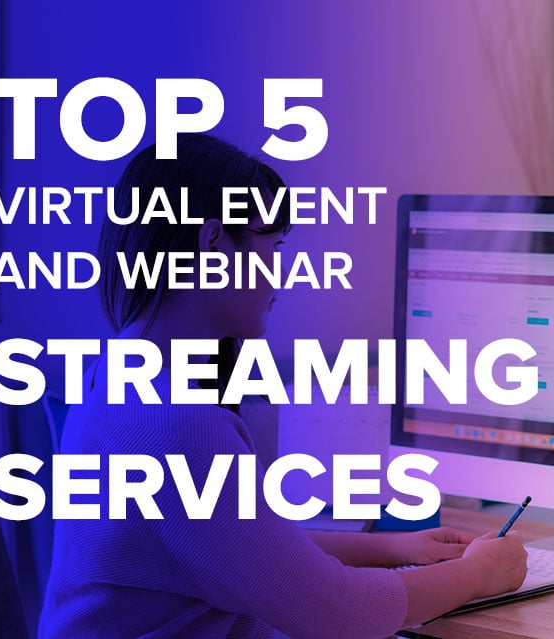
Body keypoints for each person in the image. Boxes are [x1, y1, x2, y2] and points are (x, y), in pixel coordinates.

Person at [39, 134, 528, 639]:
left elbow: (248, 547)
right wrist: (479, 574)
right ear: (212, 244)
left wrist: (395, 549)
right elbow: (340, 612)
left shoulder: (118, 373)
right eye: (272, 247)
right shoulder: (179, 423)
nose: (282, 272)